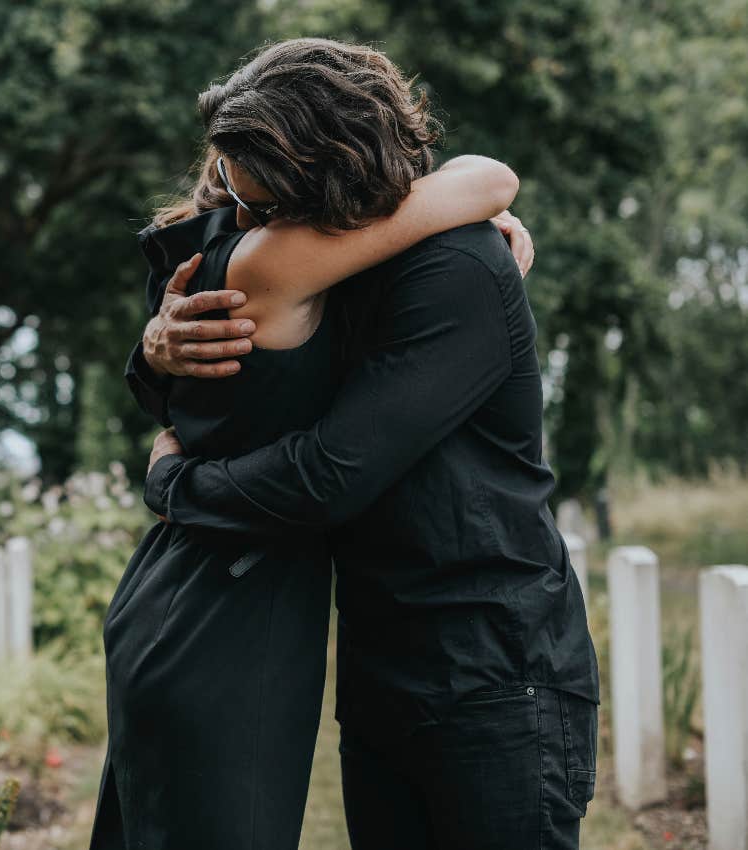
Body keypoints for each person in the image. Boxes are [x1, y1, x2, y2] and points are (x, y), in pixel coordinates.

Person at [136, 51, 600, 850]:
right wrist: (153, 350)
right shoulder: (334, 268)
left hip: (497, 675)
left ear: (325, 168)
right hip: (383, 668)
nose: (244, 216)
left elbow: (327, 477)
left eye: (262, 193)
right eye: (232, 182)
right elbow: (230, 396)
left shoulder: (457, 264)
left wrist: (176, 483)